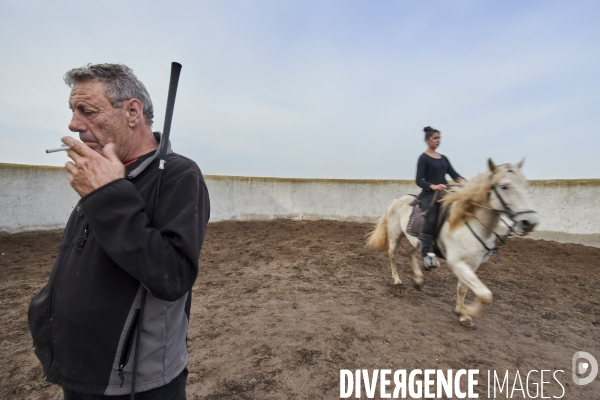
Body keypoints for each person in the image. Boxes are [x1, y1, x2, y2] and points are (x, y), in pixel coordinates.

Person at [28, 64, 210, 399]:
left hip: (135, 380)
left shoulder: (178, 175)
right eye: (72, 111)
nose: (73, 123)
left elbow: (172, 275)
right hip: (82, 367)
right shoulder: (102, 172)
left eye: (87, 111)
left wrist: (106, 198)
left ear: (132, 111)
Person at [415, 126, 465, 270]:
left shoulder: (444, 158)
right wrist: (433, 186)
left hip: (445, 193)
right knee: (430, 218)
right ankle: (427, 253)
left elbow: (454, 175)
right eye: (435, 138)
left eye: (439, 138)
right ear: (427, 140)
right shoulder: (423, 158)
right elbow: (419, 180)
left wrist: (464, 182)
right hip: (429, 194)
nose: (438, 141)